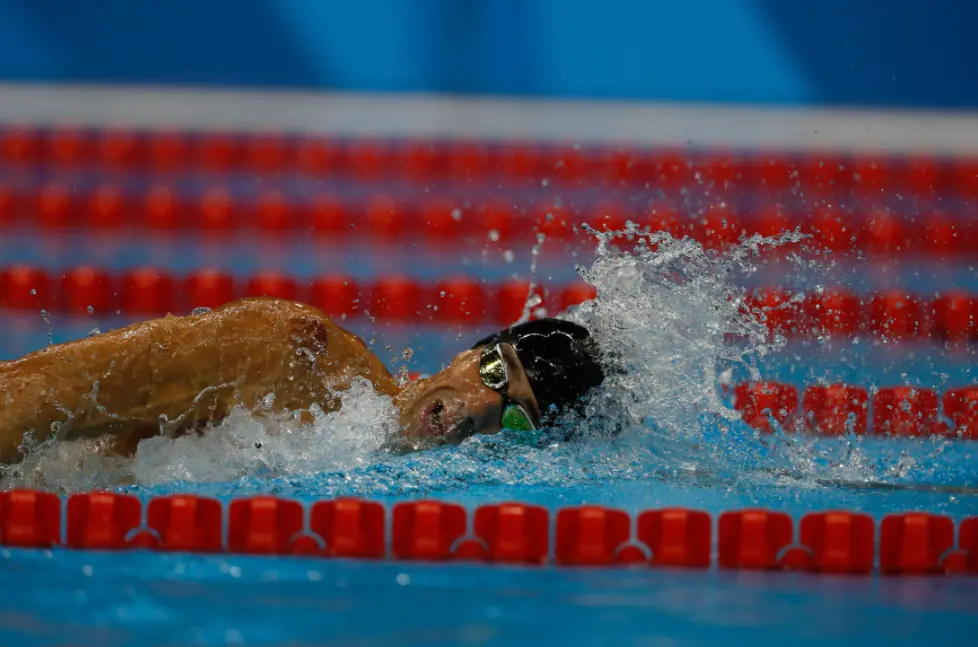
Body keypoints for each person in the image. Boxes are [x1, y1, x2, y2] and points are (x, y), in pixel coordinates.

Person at [0, 297, 606, 464]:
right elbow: (37, 393)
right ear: (469, 352)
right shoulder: (287, 352)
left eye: (516, 415)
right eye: (494, 372)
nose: (477, 408)